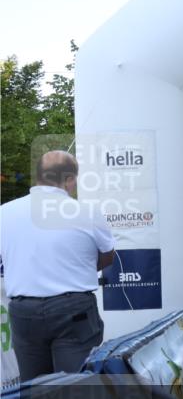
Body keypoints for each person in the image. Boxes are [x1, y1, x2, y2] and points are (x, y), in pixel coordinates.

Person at [0, 150, 116, 381]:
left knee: (34, 387)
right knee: (76, 385)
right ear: (69, 179)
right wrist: (77, 270)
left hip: (24, 311)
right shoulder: (87, 212)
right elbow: (108, 256)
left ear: (39, 176)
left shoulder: (4, 213)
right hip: (73, 309)